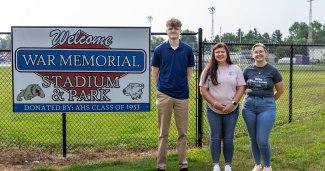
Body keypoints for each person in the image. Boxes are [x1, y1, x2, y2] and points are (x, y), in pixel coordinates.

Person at [151, 18, 195, 171]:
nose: (173, 30)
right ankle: (161, 165)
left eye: (176, 27)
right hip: (164, 95)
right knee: (163, 133)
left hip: (182, 96)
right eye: (170, 27)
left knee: (182, 133)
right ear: (166, 30)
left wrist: (182, 85)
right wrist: (161, 89)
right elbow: (154, 73)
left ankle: (183, 165)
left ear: (180, 30)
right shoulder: (159, 50)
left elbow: (189, 72)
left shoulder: (188, 50)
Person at [199, 43, 246, 171]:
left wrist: (233, 103)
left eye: (222, 52)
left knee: (228, 138)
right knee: (215, 137)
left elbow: (241, 87)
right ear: (213, 55)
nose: (220, 54)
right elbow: (203, 90)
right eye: (217, 52)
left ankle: (228, 165)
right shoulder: (207, 70)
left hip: (232, 110)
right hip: (213, 110)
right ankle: (215, 165)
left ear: (227, 54)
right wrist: (215, 104)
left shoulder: (235, 68)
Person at [242, 43, 284, 171]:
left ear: (265, 53)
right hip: (249, 107)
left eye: (261, 51)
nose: (259, 54)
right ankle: (257, 164)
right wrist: (251, 96)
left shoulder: (273, 70)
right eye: (256, 52)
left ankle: (267, 166)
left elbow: (280, 90)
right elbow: (242, 89)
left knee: (262, 139)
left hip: (267, 107)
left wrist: (268, 101)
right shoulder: (247, 70)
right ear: (252, 54)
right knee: (253, 137)